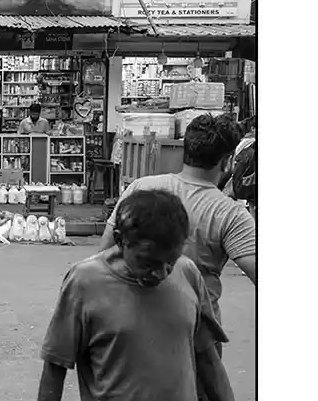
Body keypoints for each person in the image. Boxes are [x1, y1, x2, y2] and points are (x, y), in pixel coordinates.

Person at [37, 189, 247, 401]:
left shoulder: (188, 273)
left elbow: (208, 361)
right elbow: (55, 366)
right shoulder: (84, 281)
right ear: (120, 240)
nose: (161, 272)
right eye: (147, 261)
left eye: (170, 260)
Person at [98, 114, 256, 328]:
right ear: (227, 162)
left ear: (185, 150)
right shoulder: (230, 214)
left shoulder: (141, 188)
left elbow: (104, 254)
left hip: (128, 324)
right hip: (195, 329)